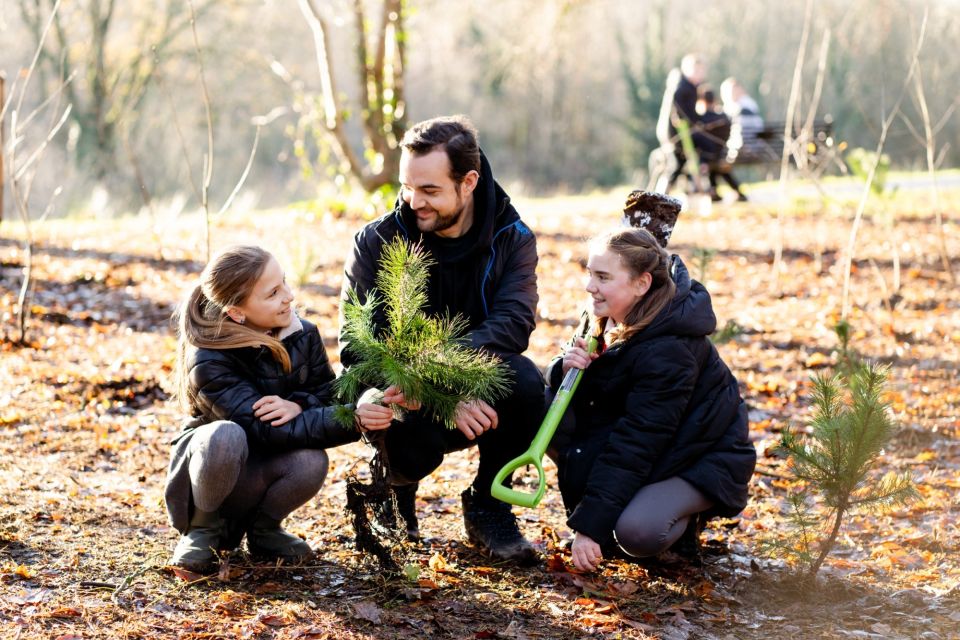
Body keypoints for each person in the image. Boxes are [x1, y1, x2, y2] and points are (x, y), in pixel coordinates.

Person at [340, 115, 543, 564]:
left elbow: (514, 323)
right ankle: (397, 496)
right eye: (407, 187)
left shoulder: (512, 237)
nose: (414, 202)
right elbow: (357, 348)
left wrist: (450, 379)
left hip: (475, 383)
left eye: (430, 191)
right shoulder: (377, 240)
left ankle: (490, 504)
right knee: (386, 405)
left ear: (468, 182)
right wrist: (440, 395)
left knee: (526, 384)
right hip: (400, 393)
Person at [164, 245, 410, 572]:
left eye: (285, 283)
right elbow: (263, 429)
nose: (289, 297)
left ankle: (264, 530)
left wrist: (298, 404)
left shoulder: (302, 335)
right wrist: (353, 419)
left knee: (311, 461)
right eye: (273, 293)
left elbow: (326, 395)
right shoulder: (208, 356)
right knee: (226, 435)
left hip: (260, 469)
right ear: (237, 312)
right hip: (212, 474)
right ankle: (202, 530)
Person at [546, 227, 756, 572]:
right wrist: (564, 369)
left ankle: (686, 518)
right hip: (661, 445)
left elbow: (637, 441)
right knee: (544, 414)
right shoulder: (607, 314)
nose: (589, 286)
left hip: (700, 455)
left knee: (637, 533)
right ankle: (625, 502)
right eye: (589, 273)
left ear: (642, 284)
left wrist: (589, 528)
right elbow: (588, 401)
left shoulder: (669, 350)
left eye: (602, 276)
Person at [656, 54, 707, 192]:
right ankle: (660, 194)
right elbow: (682, 112)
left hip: (678, 131)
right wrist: (698, 121)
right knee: (676, 164)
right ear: (686, 69)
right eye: (696, 71)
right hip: (676, 133)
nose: (699, 74)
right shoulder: (684, 87)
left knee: (679, 163)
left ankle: (663, 193)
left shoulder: (688, 86)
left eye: (701, 71)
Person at [692, 87, 748, 202]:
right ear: (715, 100)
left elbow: (697, 140)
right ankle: (733, 190)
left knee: (711, 163)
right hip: (722, 154)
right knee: (719, 166)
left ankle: (713, 190)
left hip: (707, 157)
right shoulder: (723, 117)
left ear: (701, 101)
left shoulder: (701, 120)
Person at [720, 77, 765, 168]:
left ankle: (727, 160)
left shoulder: (745, 106)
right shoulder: (747, 105)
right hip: (747, 144)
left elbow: (744, 129)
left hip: (749, 145)